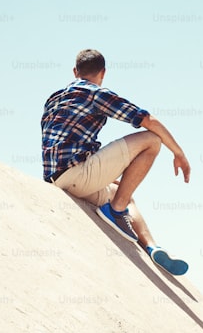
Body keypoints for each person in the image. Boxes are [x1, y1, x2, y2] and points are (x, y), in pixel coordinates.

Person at [41, 49, 192, 275]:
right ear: (103, 73)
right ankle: (116, 211)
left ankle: (152, 248)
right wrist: (179, 153)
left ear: (75, 72)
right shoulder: (95, 94)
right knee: (152, 141)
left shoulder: (53, 99)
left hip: (56, 178)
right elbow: (147, 120)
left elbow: (65, 143)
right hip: (79, 174)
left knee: (123, 191)